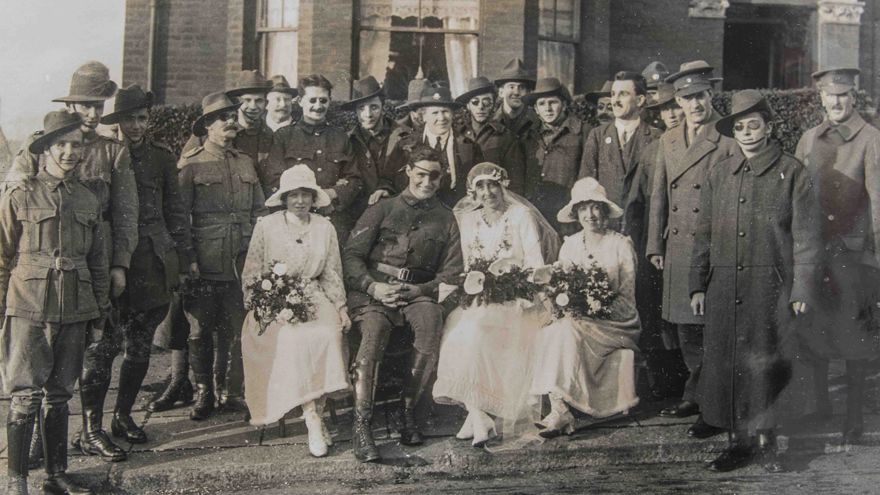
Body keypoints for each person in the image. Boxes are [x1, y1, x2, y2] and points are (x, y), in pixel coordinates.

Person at [4, 61, 139, 465]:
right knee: (31, 373)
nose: (93, 114)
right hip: (36, 281)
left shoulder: (112, 150)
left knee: (88, 359)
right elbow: (16, 206)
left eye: (99, 106)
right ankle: (29, 456)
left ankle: (89, 433)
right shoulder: (40, 148)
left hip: (87, 271)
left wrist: (119, 264)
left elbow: (125, 212)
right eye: (85, 105)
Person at [690, 90, 820, 472]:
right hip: (724, 288)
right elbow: (703, 234)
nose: (747, 132)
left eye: (754, 124)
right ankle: (739, 442)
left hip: (770, 288)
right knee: (729, 364)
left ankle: (768, 443)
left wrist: (801, 290)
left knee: (767, 363)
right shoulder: (719, 173)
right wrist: (698, 284)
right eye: (740, 126)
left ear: (768, 127)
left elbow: (807, 238)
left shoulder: (791, 172)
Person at [1, 111, 108, 495]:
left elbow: (98, 260)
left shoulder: (88, 198)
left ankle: (56, 475)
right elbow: (1, 254)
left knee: (60, 394)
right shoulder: (21, 193)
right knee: (25, 394)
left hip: (75, 306)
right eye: (60, 144)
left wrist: (98, 311)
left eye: (76, 145)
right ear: (45, 148)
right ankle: (17, 483)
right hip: (29, 303)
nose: (69, 152)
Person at [79, 85, 192, 446]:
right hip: (112, 260)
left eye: (142, 118)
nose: (137, 126)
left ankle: (123, 416)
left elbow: (175, 210)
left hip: (153, 263)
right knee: (103, 348)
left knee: (139, 347)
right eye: (130, 119)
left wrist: (183, 258)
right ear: (117, 121)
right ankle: (89, 428)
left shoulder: (161, 157)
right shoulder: (102, 153)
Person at [343, 144, 463, 462]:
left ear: (441, 178)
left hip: (417, 293)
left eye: (434, 176)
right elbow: (352, 255)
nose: (427, 182)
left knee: (430, 326)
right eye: (421, 174)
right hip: (375, 291)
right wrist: (373, 287)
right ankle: (362, 426)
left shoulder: (447, 219)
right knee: (373, 330)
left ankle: (408, 413)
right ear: (408, 171)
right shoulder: (382, 209)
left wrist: (421, 290)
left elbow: (451, 272)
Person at [433, 162, 555, 449]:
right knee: (455, 333)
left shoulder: (520, 215)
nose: (488, 193)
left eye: (493, 185)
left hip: (517, 297)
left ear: (503, 186)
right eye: (481, 187)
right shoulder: (468, 220)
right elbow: (465, 264)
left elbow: (535, 262)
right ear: (472, 192)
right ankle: (478, 413)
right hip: (479, 295)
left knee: (476, 334)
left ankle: (479, 415)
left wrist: (520, 288)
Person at [646, 60, 737, 438]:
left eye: (699, 96)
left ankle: (711, 402)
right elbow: (659, 194)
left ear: (710, 95)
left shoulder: (728, 137)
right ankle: (694, 393)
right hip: (679, 243)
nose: (694, 105)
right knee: (684, 327)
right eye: (686, 99)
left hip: (713, 244)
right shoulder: (667, 141)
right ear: (678, 103)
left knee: (709, 327)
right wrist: (655, 242)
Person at [794, 67, 880, 444]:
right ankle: (821, 407)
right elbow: (797, 201)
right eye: (829, 96)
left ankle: (854, 419)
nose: (836, 102)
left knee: (855, 339)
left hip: (854, 257)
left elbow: (879, 204)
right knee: (815, 333)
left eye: (843, 95)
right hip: (815, 256)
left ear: (854, 97)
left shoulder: (871, 139)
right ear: (821, 98)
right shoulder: (809, 139)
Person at [241, 165, 351, 458]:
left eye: (306, 195)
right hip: (275, 298)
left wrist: (340, 307)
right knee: (295, 340)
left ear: (314, 199)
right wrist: (263, 304)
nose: (300, 201)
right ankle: (312, 417)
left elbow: (331, 272)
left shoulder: (324, 227)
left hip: (313, 294)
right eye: (294, 195)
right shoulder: (267, 226)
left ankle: (316, 412)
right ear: (284, 198)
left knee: (330, 334)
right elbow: (252, 271)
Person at [178, 92, 268, 421]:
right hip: (204, 259)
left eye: (232, 116)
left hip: (241, 260)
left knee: (238, 328)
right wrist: (188, 258)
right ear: (207, 127)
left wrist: (257, 255)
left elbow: (259, 211)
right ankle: (203, 392)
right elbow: (180, 217)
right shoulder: (192, 163)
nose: (231, 122)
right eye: (222, 118)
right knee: (200, 330)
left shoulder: (245, 162)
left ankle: (231, 391)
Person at [531, 177, 640, 436]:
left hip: (616, 322)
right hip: (578, 319)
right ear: (576, 214)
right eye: (583, 209)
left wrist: (595, 306)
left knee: (566, 329)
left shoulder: (620, 245)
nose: (590, 215)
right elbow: (561, 288)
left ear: (604, 211)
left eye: (595, 208)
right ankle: (560, 409)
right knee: (552, 330)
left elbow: (627, 299)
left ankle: (560, 412)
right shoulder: (570, 245)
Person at [626, 81, 689, 401]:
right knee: (658, 315)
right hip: (657, 248)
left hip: (690, 245)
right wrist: (643, 247)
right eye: (667, 110)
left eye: (677, 107)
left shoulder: (705, 144)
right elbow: (635, 204)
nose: (674, 114)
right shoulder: (652, 152)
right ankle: (666, 383)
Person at [264, 74, 362, 241]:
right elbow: (274, 180)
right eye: (312, 100)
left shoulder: (340, 137)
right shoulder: (284, 137)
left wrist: (330, 194)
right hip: (295, 222)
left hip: (332, 220)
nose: (318, 106)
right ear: (300, 101)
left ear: (330, 101)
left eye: (323, 101)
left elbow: (355, 181)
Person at [377, 86, 484, 208]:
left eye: (445, 111)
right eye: (435, 113)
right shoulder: (406, 145)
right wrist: (384, 189)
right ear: (423, 116)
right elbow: (387, 179)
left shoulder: (469, 146)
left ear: (452, 114)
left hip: (456, 211)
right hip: (417, 212)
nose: (441, 118)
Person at [579, 70, 661, 214]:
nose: (615, 100)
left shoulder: (656, 137)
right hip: (606, 224)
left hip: (641, 225)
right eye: (613, 94)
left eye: (623, 94)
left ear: (640, 100)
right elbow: (586, 185)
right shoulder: (597, 136)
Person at [183, 70, 275, 187]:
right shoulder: (211, 133)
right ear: (237, 102)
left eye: (259, 101)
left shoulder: (268, 136)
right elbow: (185, 169)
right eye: (247, 100)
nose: (253, 106)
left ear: (266, 103)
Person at [523, 77, 592, 231]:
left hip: (569, 213)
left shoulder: (583, 133)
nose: (547, 108)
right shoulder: (529, 136)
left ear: (564, 104)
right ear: (535, 109)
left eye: (552, 102)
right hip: (536, 213)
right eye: (541, 104)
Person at [343, 76, 411, 216]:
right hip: (358, 212)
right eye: (361, 108)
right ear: (355, 111)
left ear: (382, 106)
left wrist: (389, 191)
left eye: (373, 107)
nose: (367, 115)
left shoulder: (404, 136)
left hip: (396, 208)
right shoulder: (348, 141)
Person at [456, 76, 528, 195]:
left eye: (486, 101)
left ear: (493, 105)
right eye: (475, 102)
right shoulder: (459, 136)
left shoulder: (505, 136)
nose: (481, 106)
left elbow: (516, 182)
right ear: (468, 106)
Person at [492, 58, 540, 138]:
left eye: (521, 87)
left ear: (528, 93)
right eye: (511, 87)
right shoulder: (490, 122)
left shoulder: (538, 122)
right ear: (501, 92)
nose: (516, 92)